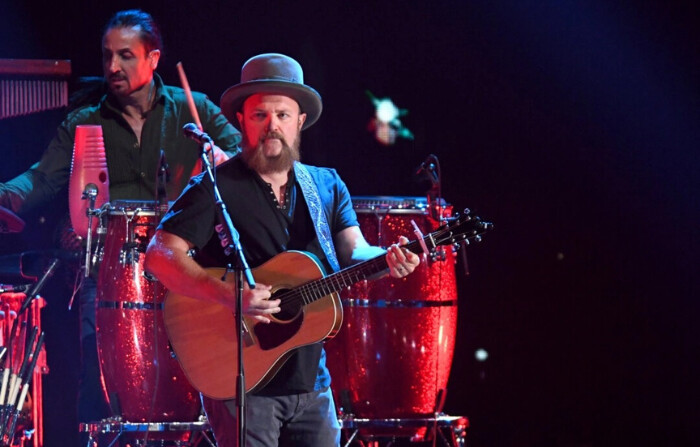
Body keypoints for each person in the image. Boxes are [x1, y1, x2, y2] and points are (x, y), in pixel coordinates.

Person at [144, 53, 420, 447]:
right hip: (243, 383)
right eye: (260, 115)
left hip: (312, 382)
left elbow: (353, 253)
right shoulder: (216, 186)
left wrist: (386, 258)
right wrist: (229, 294)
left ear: (300, 121)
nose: (272, 126)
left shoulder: (325, 185)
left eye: (283, 115)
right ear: (241, 120)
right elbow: (159, 254)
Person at [0, 9, 241, 423]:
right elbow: (39, 180)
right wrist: (5, 195)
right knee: (100, 379)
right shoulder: (85, 122)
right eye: (107, 56)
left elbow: (244, 165)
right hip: (109, 268)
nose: (113, 66)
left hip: (185, 266)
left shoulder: (193, 110)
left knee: (194, 378)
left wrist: (226, 161)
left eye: (126, 55)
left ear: (153, 58)